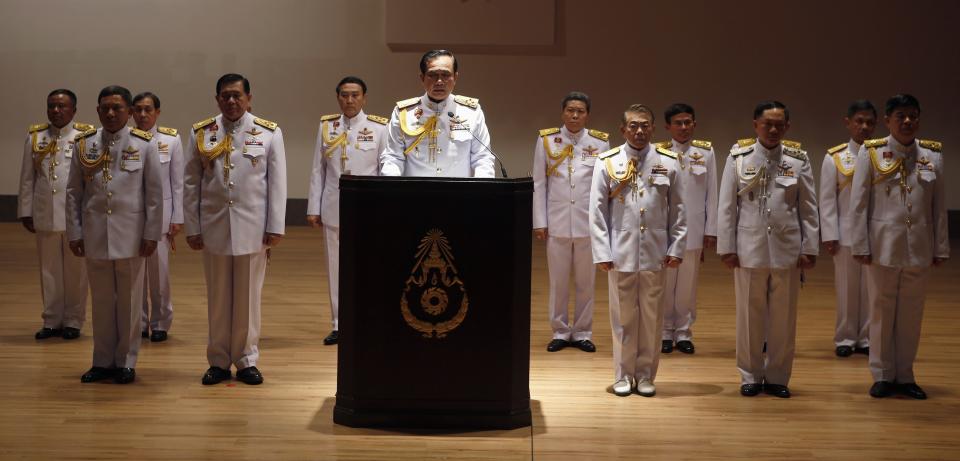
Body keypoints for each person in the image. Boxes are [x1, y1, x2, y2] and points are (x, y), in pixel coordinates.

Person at [184, 73, 287, 386]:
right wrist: (192, 226)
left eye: (237, 96)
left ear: (249, 98)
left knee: (247, 298)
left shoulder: (268, 132)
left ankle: (245, 359)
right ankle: (217, 360)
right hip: (214, 225)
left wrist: (275, 226)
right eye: (225, 96)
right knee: (218, 298)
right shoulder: (202, 132)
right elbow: (191, 183)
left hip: (253, 228)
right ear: (217, 99)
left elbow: (277, 183)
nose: (231, 101)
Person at [717, 101, 819, 399]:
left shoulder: (798, 159)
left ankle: (777, 376)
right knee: (749, 316)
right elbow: (727, 207)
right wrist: (727, 246)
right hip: (749, 248)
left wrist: (809, 246)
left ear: (787, 127)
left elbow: (808, 207)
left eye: (779, 124)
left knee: (783, 319)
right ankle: (749, 374)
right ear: (755, 124)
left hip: (786, 249)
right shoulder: (739, 156)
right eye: (767, 124)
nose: (773, 129)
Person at [849, 94, 948, 400]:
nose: (908, 121)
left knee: (911, 314)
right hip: (882, 247)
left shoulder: (932, 156)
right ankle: (881, 374)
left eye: (913, 116)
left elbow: (938, 207)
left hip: (918, 247)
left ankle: (905, 374)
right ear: (888, 120)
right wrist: (860, 245)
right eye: (901, 116)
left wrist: (940, 247)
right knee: (881, 311)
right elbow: (859, 205)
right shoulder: (873, 152)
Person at [66, 85, 163, 384]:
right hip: (95, 234)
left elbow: (154, 196)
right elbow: (73, 193)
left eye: (117, 108)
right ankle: (102, 360)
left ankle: (126, 361)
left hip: (132, 236)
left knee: (131, 301)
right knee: (102, 300)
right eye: (105, 107)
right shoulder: (84, 144)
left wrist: (151, 234)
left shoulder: (144, 144)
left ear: (129, 112)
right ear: (97, 110)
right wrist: (75, 232)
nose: (110, 113)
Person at [589, 104, 686, 397]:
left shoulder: (668, 161)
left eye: (645, 125)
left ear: (653, 129)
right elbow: (596, 210)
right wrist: (602, 251)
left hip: (656, 252)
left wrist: (677, 244)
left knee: (652, 318)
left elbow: (679, 209)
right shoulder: (607, 161)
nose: (639, 131)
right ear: (623, 130)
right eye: (633, 126)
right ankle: (622, 375)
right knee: (622, 318)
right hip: (621, 252)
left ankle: (645, 375)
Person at [306, 76, 386, 345]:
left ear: (364, 97)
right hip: (333, 206)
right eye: (344, 95)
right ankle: (339, 324)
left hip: (368, 209)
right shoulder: (326, 126)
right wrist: (313, 207)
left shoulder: (379, 128)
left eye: (355, 95)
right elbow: (319, 169)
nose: (349, 100)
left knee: (369, 267)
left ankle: (368, 320)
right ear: (338, 97)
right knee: (335, 268)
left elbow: (386, 170)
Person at [533, 91, 609, 353]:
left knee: (586, 282)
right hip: (557, 222)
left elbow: (603, 188)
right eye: (570, 110)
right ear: (563, 112)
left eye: (580, 111)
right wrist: (539, 221)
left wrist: (603, 224)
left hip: (588, 224)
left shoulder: (600, 143)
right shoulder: (546, 140)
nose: (575, 115)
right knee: (558, 281)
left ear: (587, 114)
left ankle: (583, 332)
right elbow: (539, 184)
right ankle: (560, 331)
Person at [18, 89, 90, 340]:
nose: (56, 111)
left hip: (74, 216)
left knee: (76, 273)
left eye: (62, 106)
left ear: (74, 110)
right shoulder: (36, 136)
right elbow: (28, 178)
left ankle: (73, 320)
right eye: (51, 106)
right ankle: (51, 319)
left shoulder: (85, 136)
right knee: (48, 270)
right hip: (45, 213)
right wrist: (25, 210)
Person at [655, 103, 717, 355]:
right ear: (667, 126)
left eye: (687, 122)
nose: (683, 127)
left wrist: (710, 229)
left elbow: (712, 193)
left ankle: (683, 332)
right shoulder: (657, 152)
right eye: (678, 123)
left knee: (687, 286)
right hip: (665, 229)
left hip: (694, 228)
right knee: (665, 284)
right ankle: (664, 332)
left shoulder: (706, 153)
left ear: (694, 124)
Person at [380, 49, 495, 177]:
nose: (439, 81)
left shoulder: (471, 112)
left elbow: (482, 158)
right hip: (414, 194)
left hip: (460, 194)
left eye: (445, 75)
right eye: (432, 75)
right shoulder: (405, 113)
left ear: (455, 77)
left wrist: (482, 193)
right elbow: (393, 157)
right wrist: (391, 192)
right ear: (422, 78)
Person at [820, 100, 876, 358]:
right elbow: (827, 199)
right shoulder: (836, 157)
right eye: (859, 121)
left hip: (875, 234)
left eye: (869, 122)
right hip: (845, 233)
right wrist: (830, 234)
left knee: (872, 289)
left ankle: (866, 337)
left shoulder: (882, 155)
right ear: (848, 123)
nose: (864, 127)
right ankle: (845, 337)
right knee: (846, 287)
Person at [132, 91, 183, 343]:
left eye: (147, 110)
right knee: (135, 274)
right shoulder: (125, 140)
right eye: (138, 110)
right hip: (131, 218)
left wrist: (178, 217)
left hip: (162, 217)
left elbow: (178, 184)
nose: (142, 115)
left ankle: (161, 322)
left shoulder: (170, 140)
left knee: (159, 274)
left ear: (157, 113)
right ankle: (139, 321)